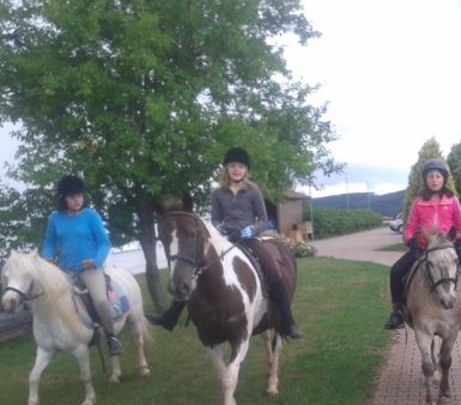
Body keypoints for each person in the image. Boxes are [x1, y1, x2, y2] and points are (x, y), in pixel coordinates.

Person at [149, 147, 303, 338]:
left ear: (246, 170)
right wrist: (220, 228)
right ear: (226, 169)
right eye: (232, 166)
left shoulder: (254, 191)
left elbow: (263, 220)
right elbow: (215, 219)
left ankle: (288, 322)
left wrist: (251, 230)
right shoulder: (218, 193)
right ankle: (170, 316)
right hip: (225, 239)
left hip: (249, 239)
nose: (236, 169)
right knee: (194, 270)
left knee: (272, 268)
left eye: (240, 166)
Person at [383, 158, 461, 332]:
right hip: (423, 249)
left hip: (448, 248)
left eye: (438, 176)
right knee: (396, 271)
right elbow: (410, 226)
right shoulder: (418, 202)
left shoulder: (452, 200)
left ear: (444, 179)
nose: (434, 180)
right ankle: (397, 312)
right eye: (431, 176)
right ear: (425, 179)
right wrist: (410, 240)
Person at [42, 174, 123, 356]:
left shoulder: (91, 216)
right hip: (66, 270)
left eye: (79, 195)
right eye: (72, 196)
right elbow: (49, 243)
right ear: (63, 198)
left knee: (101, 302)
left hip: (90, 269)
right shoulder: (55, 218)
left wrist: (95, 261)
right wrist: (47, 258)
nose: (77, 200)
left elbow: (104, 243)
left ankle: (111, 337)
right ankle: (57, 338)